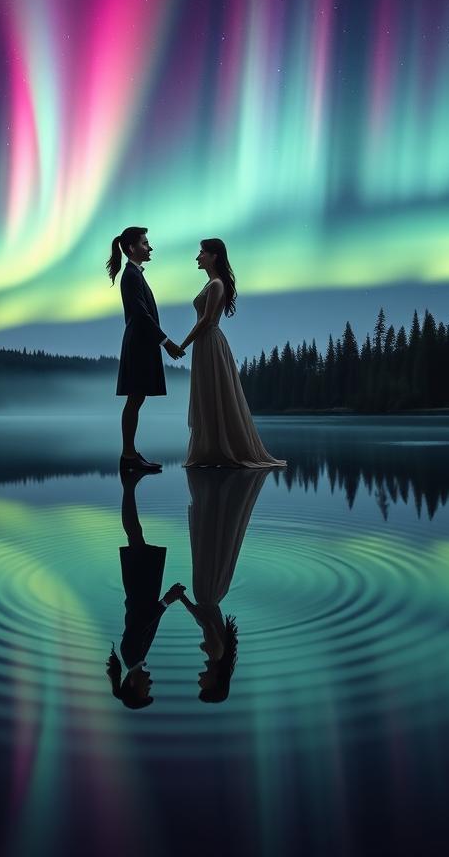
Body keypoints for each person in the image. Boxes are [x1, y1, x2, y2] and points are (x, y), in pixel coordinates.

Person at [179, 238, 285, 468]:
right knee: (207, 393)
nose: (198, 257)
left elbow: (207, 319)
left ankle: (225, 449)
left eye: (201, 253)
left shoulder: (216, 284)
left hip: (210, 343)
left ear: (214, 256)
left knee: (216, 392)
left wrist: (182, 345)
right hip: (204, 344)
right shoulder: (211, 284)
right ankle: (211, 449)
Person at [177, 467, 269, 703]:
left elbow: (206, 621)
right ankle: (214, 492)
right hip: (206, 594)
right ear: (214, 681)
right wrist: (182, 599)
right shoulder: (217, 653)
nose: (199, 682)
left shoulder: (219, 654)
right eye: (203, 686)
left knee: (211, 547)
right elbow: (205, 620)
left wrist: (184, 600)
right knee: (208, 546)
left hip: (211, 593)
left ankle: (214, 493)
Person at [106, 467, 186, 709]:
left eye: (145, 691)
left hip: (139, 589)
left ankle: (128, 485)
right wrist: (165, 601)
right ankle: (129, 485)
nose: (149, 686)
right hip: (144, 590)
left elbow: (142, 623)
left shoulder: (130, 654)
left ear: (132, 686)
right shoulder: (137, 658)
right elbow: (149, 625)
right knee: (136, 535)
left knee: (134, 535)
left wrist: (166, 601)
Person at [106, 226, 185, 473]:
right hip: (139, 346)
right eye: (145, 243)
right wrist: (166, 342)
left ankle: (129, 455)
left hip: (141, 344)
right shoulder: (131, 275)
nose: (149, 247)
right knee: (134, 399)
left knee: (136, 398)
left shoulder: (134, 274)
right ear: (131, 248)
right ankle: (128, 456)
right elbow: (141, 314)